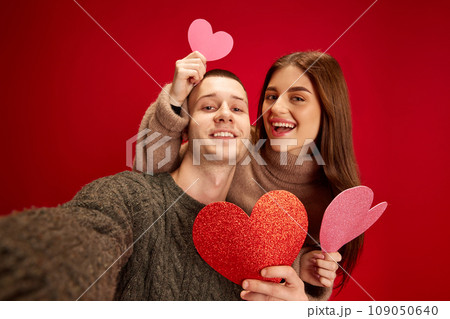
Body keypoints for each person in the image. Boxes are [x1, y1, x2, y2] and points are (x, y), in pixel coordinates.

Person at [0, 69, 309, 300]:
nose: (225, 115)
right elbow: (79, 238)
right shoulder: (128, 196)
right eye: (209, 107)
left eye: (238, 109)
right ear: (185, 126)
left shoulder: (254, 246)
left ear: (250, 135)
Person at [135, 51, 360, 300]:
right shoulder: (237, 143)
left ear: (329, 109)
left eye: (297, 98)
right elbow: (151, 177)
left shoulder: (332, 202)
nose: (277, 108)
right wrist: (174, 102)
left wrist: (307, 281)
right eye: (271, 96)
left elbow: (295, 297)